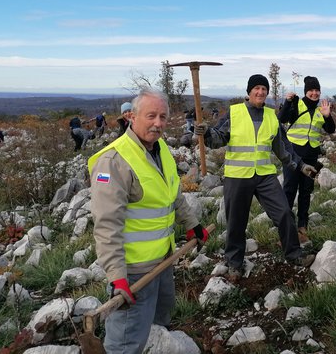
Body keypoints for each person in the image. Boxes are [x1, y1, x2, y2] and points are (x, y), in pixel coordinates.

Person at [88, 89, 209, 354]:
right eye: (151, 116)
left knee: (159, 321)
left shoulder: (160, 148)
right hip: (134, 271)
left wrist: (192, 224)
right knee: (125, 341)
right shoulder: (114, 161)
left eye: (163, 117)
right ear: (132, 116)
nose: (158, 123)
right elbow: (107, 226)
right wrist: (117, 277)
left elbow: (172, 193)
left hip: (163, 259)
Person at [196, 74, 317, 278]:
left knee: (284, 213)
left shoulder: (271, 116)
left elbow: (284, 149)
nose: (260, 92)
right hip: (237, 176)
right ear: (249, 91)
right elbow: (218, 139)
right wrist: (207, 133)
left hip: (264, 176)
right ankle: (234, 263)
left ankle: (294, 254)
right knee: (236, 221)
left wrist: (301, 165)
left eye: (264, 89)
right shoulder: (234, 113)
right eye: (256, 88)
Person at [278, 76, 335, 243]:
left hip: (311, 156)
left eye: (317, 90)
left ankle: (303, 226)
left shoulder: (320, 110)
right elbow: (282, 119)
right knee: (289, 190)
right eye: (311, 90)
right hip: (292, 154)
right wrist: (288, 102)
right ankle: (287, 229)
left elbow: (330, 129)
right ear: (306, 91)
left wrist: (327, 116)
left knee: (305, 191)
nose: (314, 93)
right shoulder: (297, 103)